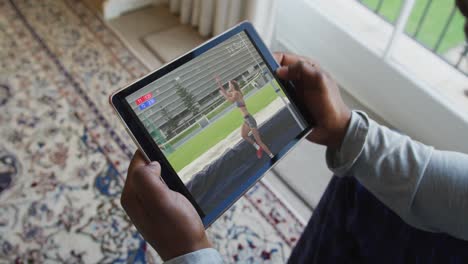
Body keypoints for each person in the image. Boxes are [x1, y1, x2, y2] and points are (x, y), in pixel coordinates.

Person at [120, 1, 468, 262]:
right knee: (354, 182)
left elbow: (231, 95)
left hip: (248, 118)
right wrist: (347, 130)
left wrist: (189, 252)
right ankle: (265, 148)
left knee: (251, 137)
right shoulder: (235, 95)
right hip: (248, 119)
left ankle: (264, 148)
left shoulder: (238, 96)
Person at [214, 77, 274, 159]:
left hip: (249, 119)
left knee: (259, 141)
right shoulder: (235, 92)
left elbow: (231, 100)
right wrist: (219, 84)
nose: (229, 87)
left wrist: (223, 94)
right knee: (244, 135)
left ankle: (271, 155)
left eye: (229, 85)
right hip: (246, 119)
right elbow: (227, 93)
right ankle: (258, 148)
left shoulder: (236, 93)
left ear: (233, 86)